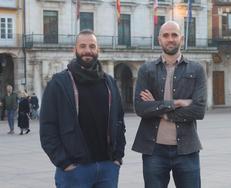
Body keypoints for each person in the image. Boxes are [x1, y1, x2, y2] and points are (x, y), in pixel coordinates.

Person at [40, 29, 126, 188]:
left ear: (98, 50)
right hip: (74, 169)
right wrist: (63, 162)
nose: (88, 50)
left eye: (92, 46)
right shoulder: (59, 84)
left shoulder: (110, 83)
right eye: (83, 46)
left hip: (108, 167)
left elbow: (119, 120)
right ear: (75, 50)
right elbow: (47, 127)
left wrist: (117, 156)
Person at [132, 21, 207, 188]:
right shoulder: (146, 70)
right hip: (154, 150)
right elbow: (140, 108)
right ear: (159, 40)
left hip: (187, 149)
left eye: (174, 35)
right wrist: (176, 103)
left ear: (181, 38)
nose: (170, 39)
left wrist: (159, 109)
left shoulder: (196, 70)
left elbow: (198, 110)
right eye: (166, 35)